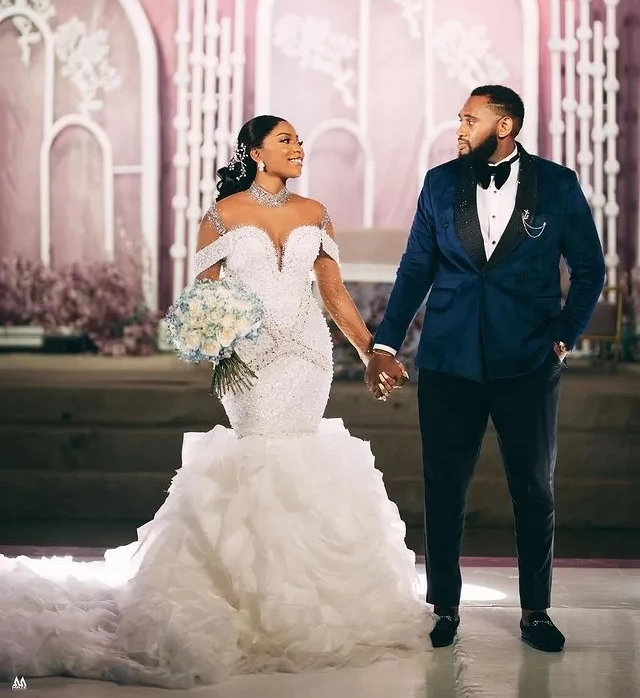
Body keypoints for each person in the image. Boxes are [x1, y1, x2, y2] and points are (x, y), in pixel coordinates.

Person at [0, 115, 432, 689]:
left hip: (307, 357)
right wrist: (214, 335)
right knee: (260, 455)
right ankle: (250, 605)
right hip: (250, 363)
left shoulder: (315, 213)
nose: (298, 148)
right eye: (286, 140)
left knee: (302, 455)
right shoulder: (222, 215)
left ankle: (308, 604)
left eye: (299, 141)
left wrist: (373, 351)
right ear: (255, 152)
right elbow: (204, 298)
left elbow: (333, 293)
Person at [365, 85, 606, 653]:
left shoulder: (558, 184)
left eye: (470, 118)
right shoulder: (439, 183)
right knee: (444, 487)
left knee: (533, 489)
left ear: (506, 125)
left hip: (528, 361)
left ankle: (536, 612)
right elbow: (414, 269)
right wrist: (386, 344)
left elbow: (590, 269)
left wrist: (564, 339)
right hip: (448, 362)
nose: (459, 126)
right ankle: (445, 606)